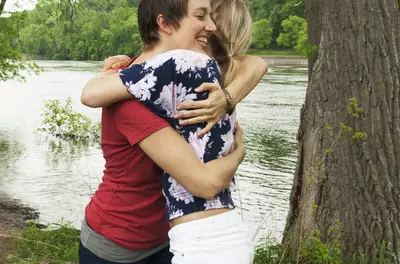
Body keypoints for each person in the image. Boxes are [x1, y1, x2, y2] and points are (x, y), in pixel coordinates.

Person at [79, 0, 268, 264]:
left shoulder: (179, 74)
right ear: (164, 24)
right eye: (201, 17)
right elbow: (204, 183)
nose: (210, 27)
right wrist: (240, 151)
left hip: (170, 236)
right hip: (120, 242)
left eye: (212, 21)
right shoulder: (130, 96)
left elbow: (255, 63)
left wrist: (227, 97)